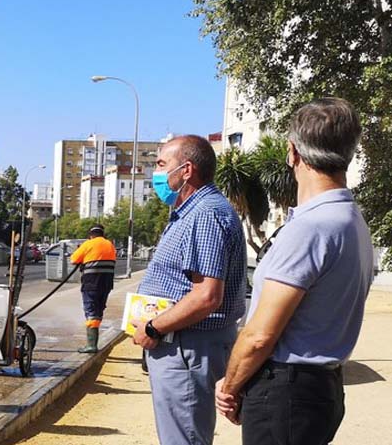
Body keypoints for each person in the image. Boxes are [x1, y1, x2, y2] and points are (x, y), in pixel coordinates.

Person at [215, 98, 373, 444]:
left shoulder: (312, 227)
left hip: (286, 389)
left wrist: (230, 386)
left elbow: (259, 336)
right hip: (318, 388)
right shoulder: (352, 221)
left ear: (292, 152)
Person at [132, 135, 246, 445]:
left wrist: (154, 328)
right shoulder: (192, 212)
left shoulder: (204, 215)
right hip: (184, 345)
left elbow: (207, 296)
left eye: (161, 164)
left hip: (188, 347)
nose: (155, 173)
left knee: (184, 439)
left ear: (186, 170)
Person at [70, 224, 117, 353]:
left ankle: (91, 345)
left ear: (91, 235)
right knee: (98, 310)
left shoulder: (88, 244)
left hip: (91, 283)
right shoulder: (110, 245)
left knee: (91, 311)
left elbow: (73, 260)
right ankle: (93, 343)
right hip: (106, 284)